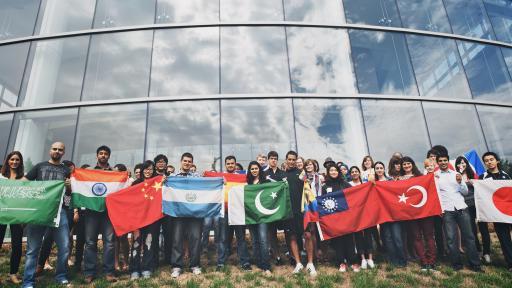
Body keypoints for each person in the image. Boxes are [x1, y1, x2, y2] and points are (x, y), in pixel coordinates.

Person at [22, 142, 72, 287]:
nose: (57, 151)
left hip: (59, 211)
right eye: (54, 149)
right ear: (50, 150)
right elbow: (24, 183)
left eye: (60, 150)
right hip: (38, 210)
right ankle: (28, 282)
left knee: (64, 246)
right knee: (33, 249)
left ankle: (61, 275)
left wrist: (69, 188)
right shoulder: (39, 166)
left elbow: (68, 195)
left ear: (64, 152)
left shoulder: (66, 170)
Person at [436, 153, 482, 272]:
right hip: (447, 210)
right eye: (440, 160)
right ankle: (456, 264)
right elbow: (435, 195)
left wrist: (461, 182)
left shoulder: (456, 174)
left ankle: (475, 264)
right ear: (438, 163)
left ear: (448, 161)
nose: (443, 162)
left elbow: (465, 192)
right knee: (451, 238)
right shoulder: (435, 177)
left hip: (461, 208)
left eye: (445, 160)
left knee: (469, 237)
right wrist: (440, 209)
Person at [84, 145, 118, 284]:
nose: (103, 155)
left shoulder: (115, 173)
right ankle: (89, 272)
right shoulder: (88, 171)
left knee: (109, 243)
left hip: (108, 212)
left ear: (109, 156)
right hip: (91, 212)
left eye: (105, 154)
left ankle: (109, 272)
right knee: (90, 242)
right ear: (97, 155)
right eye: (101, 153)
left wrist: (126, 176)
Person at [401, 156, 437, 271]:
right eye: (404, 164)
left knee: (429, 236)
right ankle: (424, 261)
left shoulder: (422, 176)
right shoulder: (399, 179)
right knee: (416, 237)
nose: (406, 166)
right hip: (411, 213)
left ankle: (431, 261)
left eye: (408, 163)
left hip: (425, 211)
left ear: (412, 164)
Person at [322, 164, 360, 273]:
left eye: (335, 170)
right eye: (331, 170)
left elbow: (354, 195)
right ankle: (341, 263)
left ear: (338, 172)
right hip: (333, 218)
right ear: (328, 172)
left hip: (346, 218)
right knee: (337, 241)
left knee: (349, 239)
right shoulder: (325, 186)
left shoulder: (345, 184)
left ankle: (353, 262)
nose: (333, 172)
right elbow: (323, 202)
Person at [284, 151, 316, 276]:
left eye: (293, 159)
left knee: (307, 235)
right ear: (286, 160)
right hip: (289, 212)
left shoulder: (302, 174)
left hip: (303, 211)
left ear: (296, 160)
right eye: (289, 159)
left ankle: (310, 263)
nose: (291, 161)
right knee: (292, 237)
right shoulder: (283, 175)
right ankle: (298, 263)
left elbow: (308, 190)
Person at [170, 153, 202, 278]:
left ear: (192, 163)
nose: (187, 163)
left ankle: (194, 265)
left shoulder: (197, 177)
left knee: (195, 239)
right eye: (185, 161)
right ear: (181, 161)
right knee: (177, 239)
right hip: (179, 213)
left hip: (194, 213)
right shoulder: (172, 177)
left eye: (189, 161)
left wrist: (221, 180)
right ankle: (176, 266)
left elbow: (208, 184)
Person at [479, 152, 512, 271]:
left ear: (497, 161)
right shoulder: (482, 177)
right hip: (497, 213)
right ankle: (510, 263)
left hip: (509, 210)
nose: (489, 162)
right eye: (486, 160)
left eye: (491, 159)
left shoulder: (506, 175)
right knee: (504, 238)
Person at [456, 156, 491, 264]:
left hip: (477, 204)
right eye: (459, 163)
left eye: (463, 162)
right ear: (456, 165)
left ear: (467, 163)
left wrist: (474, 182)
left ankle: (487, 252)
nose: (462, 164)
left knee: (483, 228)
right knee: (472, 230)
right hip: (466, 206)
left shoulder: (473, 174)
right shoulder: (456, 176)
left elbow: (482, 187)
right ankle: (478, 251)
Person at [129, 160, 161, 279]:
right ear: (142, 170)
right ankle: (134, 270)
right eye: (146, 169)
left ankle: (147, 268)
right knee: (136, 244)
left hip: (151, 219)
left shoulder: (156, 183)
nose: (148, 171)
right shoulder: (135, 183)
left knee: (149, 243)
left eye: (150, 169)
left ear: (153, 171)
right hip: (137, 219)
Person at [0, 151, 24, 284]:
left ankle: (13, 274)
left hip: (17, 215)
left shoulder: (23, 179)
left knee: (17, 245)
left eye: (17, 160)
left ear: (20, 162)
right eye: (12, 159)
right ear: (8, 161)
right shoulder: (0, 177)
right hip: (1, 213)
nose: (14, 162)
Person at [378, 161, 407, 268]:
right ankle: (393, 260)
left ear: (384, 169)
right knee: (388, 239)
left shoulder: (391, 180)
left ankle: (402, 260)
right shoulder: (373, 183)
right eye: (377, 168)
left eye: (381, 167)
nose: (379, 170)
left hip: (394, 215)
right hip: (383, 215)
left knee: (397, 238)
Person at [246, 161, 271, 275]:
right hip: (251, 216)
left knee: (263, 240)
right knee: (255, 240)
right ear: (249, 171)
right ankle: (259, 263)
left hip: (262, 217)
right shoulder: (248, 183)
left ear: (259, 170)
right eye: (252, 169)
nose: (254, 170)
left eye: (256, 168)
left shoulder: (266, 182)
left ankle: (266, 266)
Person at [349, 165, 376, 269]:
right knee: (358, 236)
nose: (354, 173)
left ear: (359, 173)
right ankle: (363, 259)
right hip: (355, 214)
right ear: (350, 174)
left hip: (366, 213)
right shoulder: (348, 185)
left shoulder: (365, 184)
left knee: (368, 235)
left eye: (356, 171)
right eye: (352, 172)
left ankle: (370, 258)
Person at [264, 151, 286, 265]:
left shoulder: (283, 173)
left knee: (287, 231)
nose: (274, 160)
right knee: (271, 232)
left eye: (275, 158)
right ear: (268, 160)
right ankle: (276, 255)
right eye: (271, 158)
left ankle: (290, 253)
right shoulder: (264, 173)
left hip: (282, 207)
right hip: (270, 207)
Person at [303, 159, 325, 262]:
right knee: (312, 229)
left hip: (318, 203)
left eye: (310, 164)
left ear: (314, 165)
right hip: (308, 204)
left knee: (321, 228)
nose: (308, 166)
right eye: (306, 165)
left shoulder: (320, 177)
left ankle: (322, 251)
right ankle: (315, 252)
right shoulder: (303, 178)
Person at [113, 164, 130, 272]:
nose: (116, 174)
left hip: (124, 212)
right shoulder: (111, 182)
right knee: (115, 239)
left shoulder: (129, 182)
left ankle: (125, 261)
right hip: (113, 211)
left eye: (118, 172)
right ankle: (115, 262)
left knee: (123, 238)